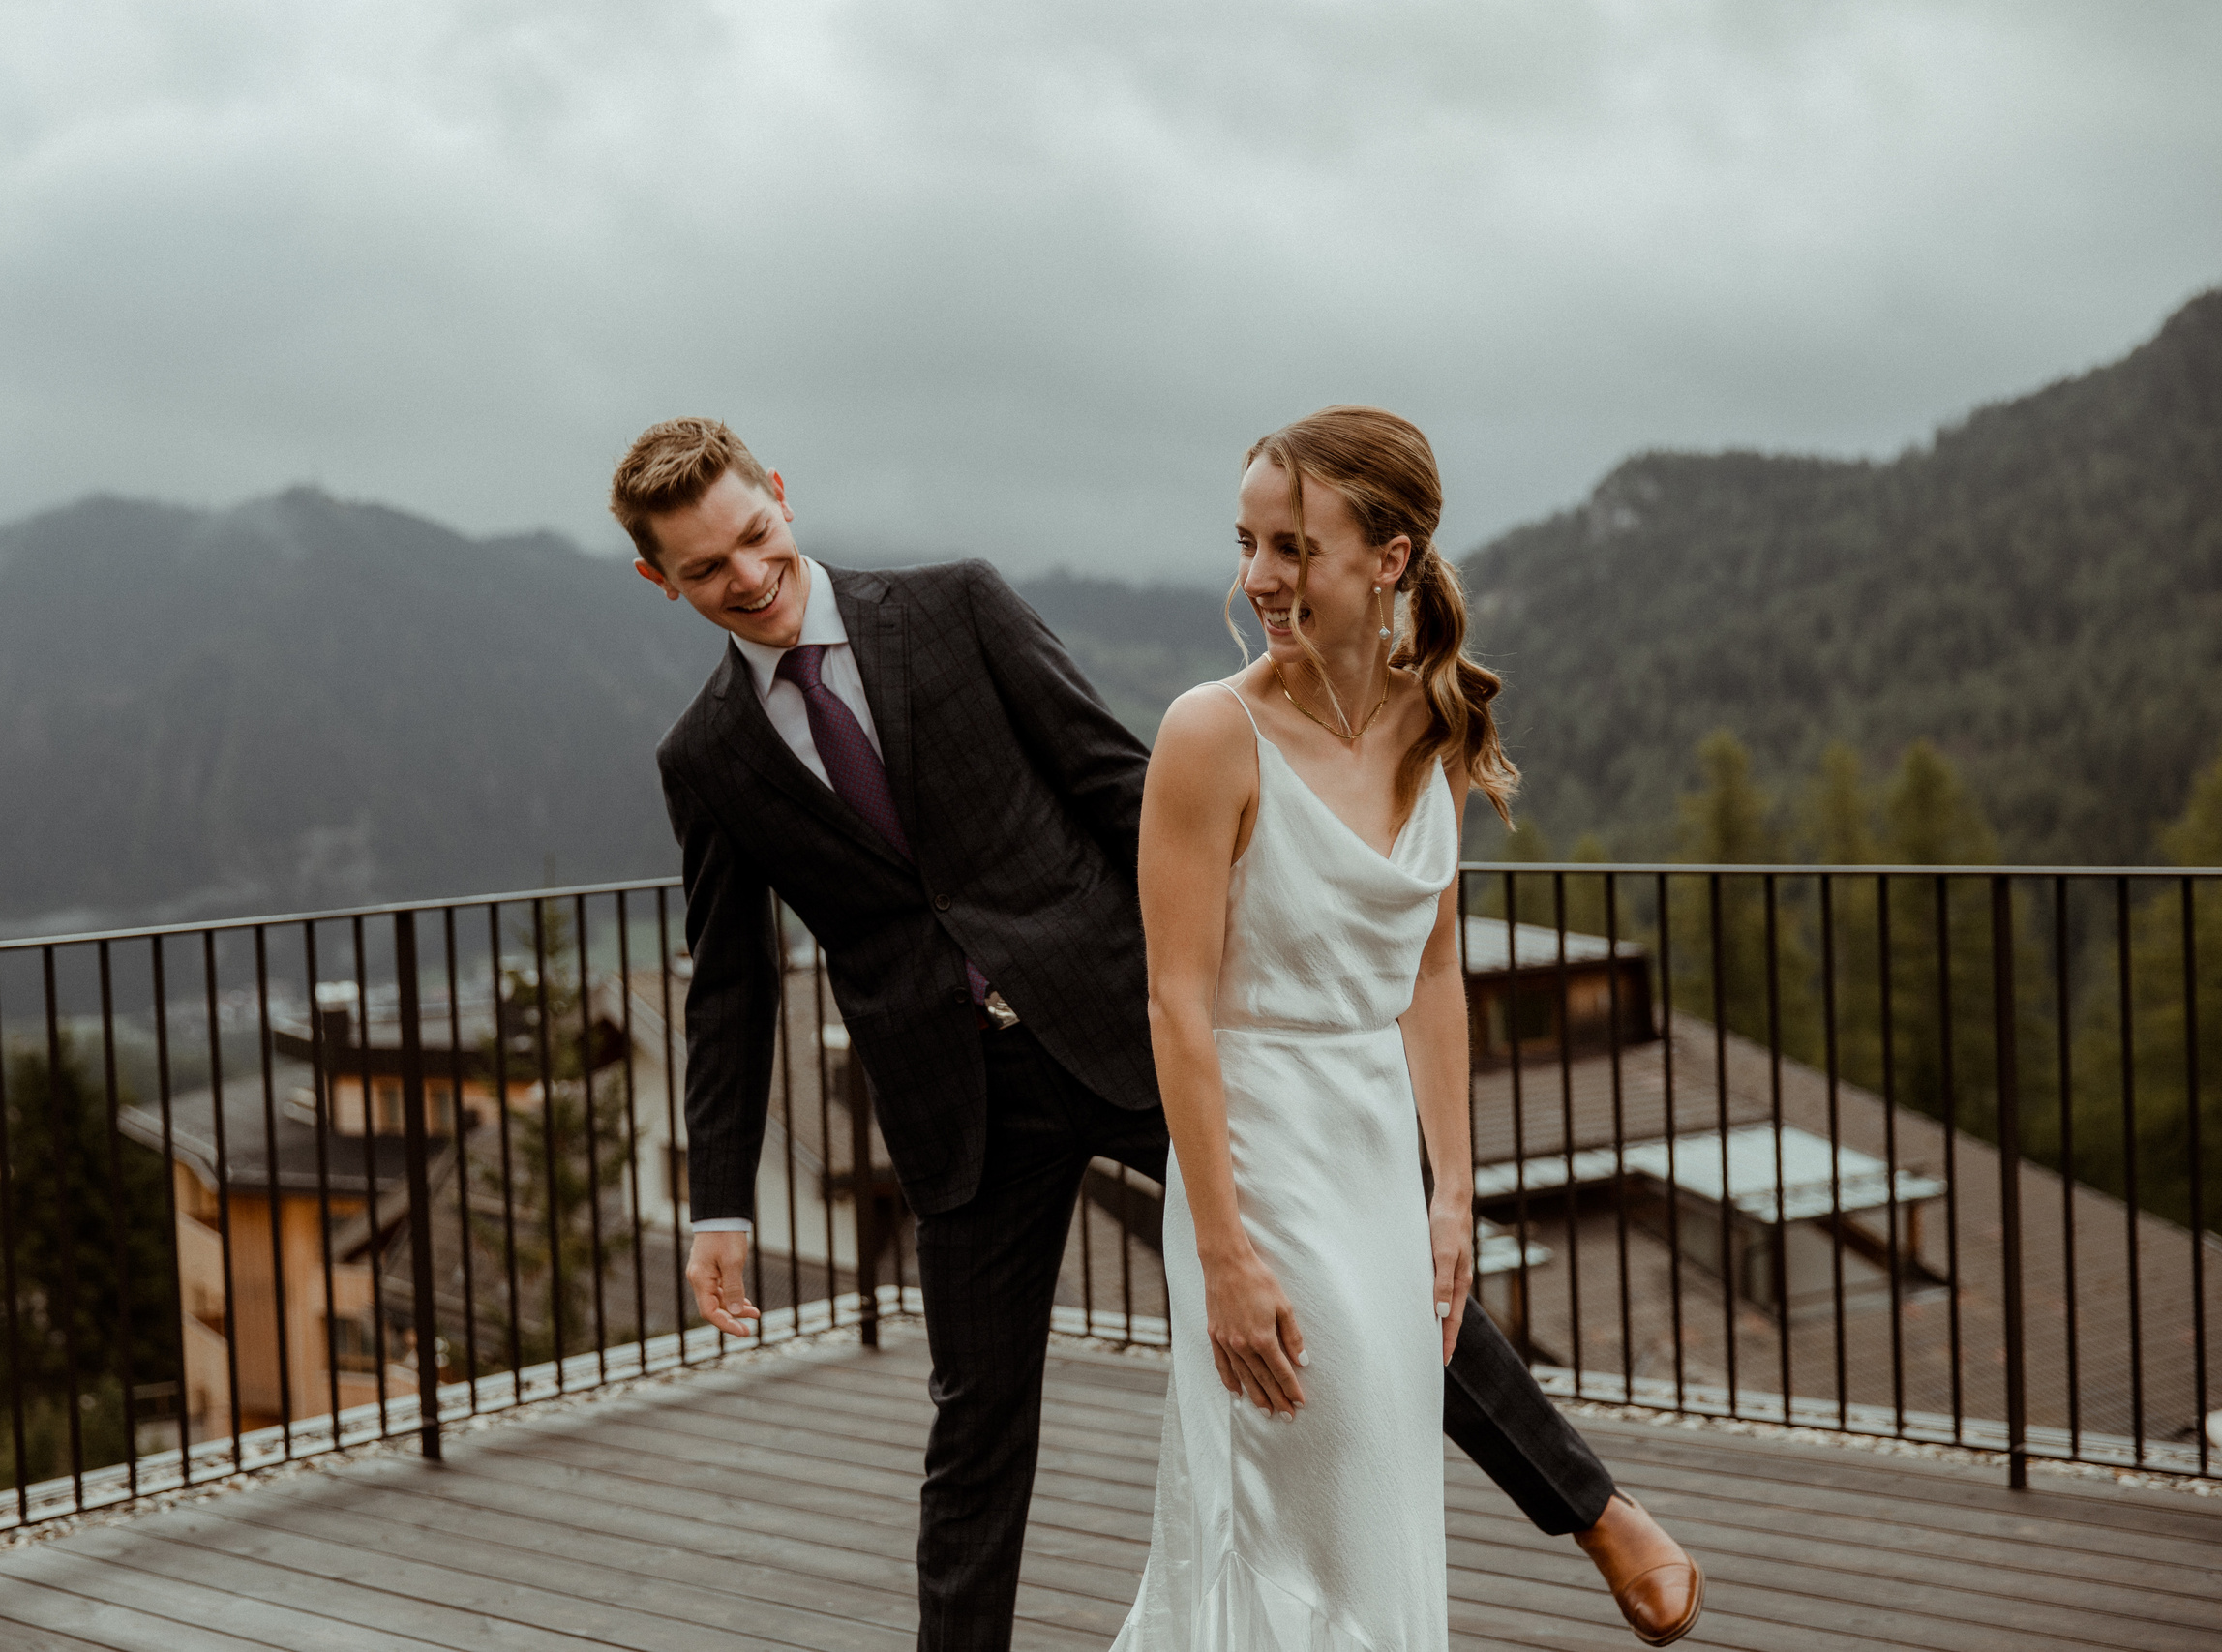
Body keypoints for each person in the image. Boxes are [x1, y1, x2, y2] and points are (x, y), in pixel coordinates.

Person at [616, 415, 1702, 1652]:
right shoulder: (702, 756)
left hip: (1136, 1026)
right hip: (955, 1105)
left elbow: (1116, 783)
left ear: (782, 500)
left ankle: (1599, 1512)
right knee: (975, 1422)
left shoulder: (955, 605)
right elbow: (731, 986)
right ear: (660, 581)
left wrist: (1287, 901)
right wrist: (719, 1205)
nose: (745, 578)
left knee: (1360, 1284)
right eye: (704, 570)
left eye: (753, 538)